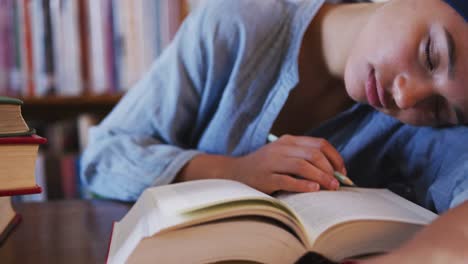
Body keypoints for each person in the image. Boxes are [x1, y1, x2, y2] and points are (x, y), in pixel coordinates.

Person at [81, 0, 468, 262]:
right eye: (431, 55)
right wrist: (229, 171)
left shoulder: (426, 130)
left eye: (438, 107)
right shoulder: (240, 22)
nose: (405, 96)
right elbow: (103, 157)